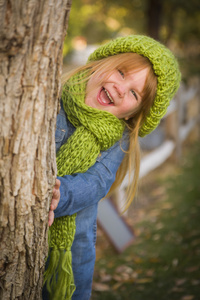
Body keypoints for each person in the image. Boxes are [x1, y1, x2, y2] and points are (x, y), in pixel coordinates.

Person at [43, 35, 181, 300]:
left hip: (72, 251)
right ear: (99, 64)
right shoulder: (52, 98)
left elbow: (98, 181)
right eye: (121, 72)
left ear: (132, 114)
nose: (120, 88)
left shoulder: (117, 138)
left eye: (134, 93)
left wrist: (61, 194)